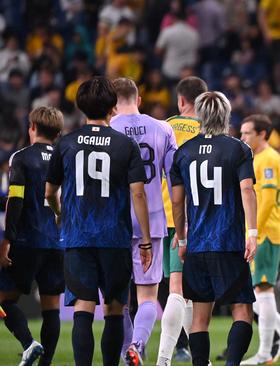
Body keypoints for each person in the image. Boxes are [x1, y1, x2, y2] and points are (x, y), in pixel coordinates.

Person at [44, 77, 152, 366]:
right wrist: (144, 240)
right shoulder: (125, 145)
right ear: (112, 107)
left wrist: (58, 213)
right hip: (115, 238)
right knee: (115, 308)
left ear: (80, 106)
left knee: (83, 307)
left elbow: (49, 192)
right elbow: (138, 194)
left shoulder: (65, 143)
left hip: (78, 236)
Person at [169, 91, 258, 366]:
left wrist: (182, 240)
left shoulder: (182, 153)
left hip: (197, 246)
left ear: (199, 116)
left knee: (199, 318)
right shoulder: (238, 148)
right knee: (242, 310)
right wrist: (252, 233)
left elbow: (177, 201)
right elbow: (246, 190)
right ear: (226, 115)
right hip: (228, 243)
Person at [110, 77, 177, 365]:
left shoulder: (107, 129)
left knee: (118, 300)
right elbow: (176, 181)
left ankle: (129, 352)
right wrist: (181, 226)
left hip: (114, 223)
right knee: (148, 295)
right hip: (152, 219)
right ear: (138, 100)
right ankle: (137, 344)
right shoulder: (163, 128)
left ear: (112, 104)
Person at [0, 107, 64, 366]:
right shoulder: (65, 158)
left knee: (4, 300)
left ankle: (28, 343)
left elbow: (15, 200)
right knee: (52, 308)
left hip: (26, 240)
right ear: (58, 133)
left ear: (33, 128)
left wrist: (7, 240)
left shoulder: (21, 158)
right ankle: (45, 363)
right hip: (57, 241)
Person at [239, 114, 280, 364]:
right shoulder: (258, 158)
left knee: (262, 290)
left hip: (263, 233)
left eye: (247, 133)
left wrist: (252, 233)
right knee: (257, 291)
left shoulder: (268, 160)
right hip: (264, 233)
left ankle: (265, 353)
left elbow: (264, 203)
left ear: (262, 134)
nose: (242, 137)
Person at [157, 76, 208, 366]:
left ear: (180, 101)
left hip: (158, 216)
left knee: (178, 290)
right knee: (179, 288)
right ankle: (164, 359)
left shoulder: (163, 127)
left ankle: (197, 357)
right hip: (190, 218)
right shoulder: (206, 131)